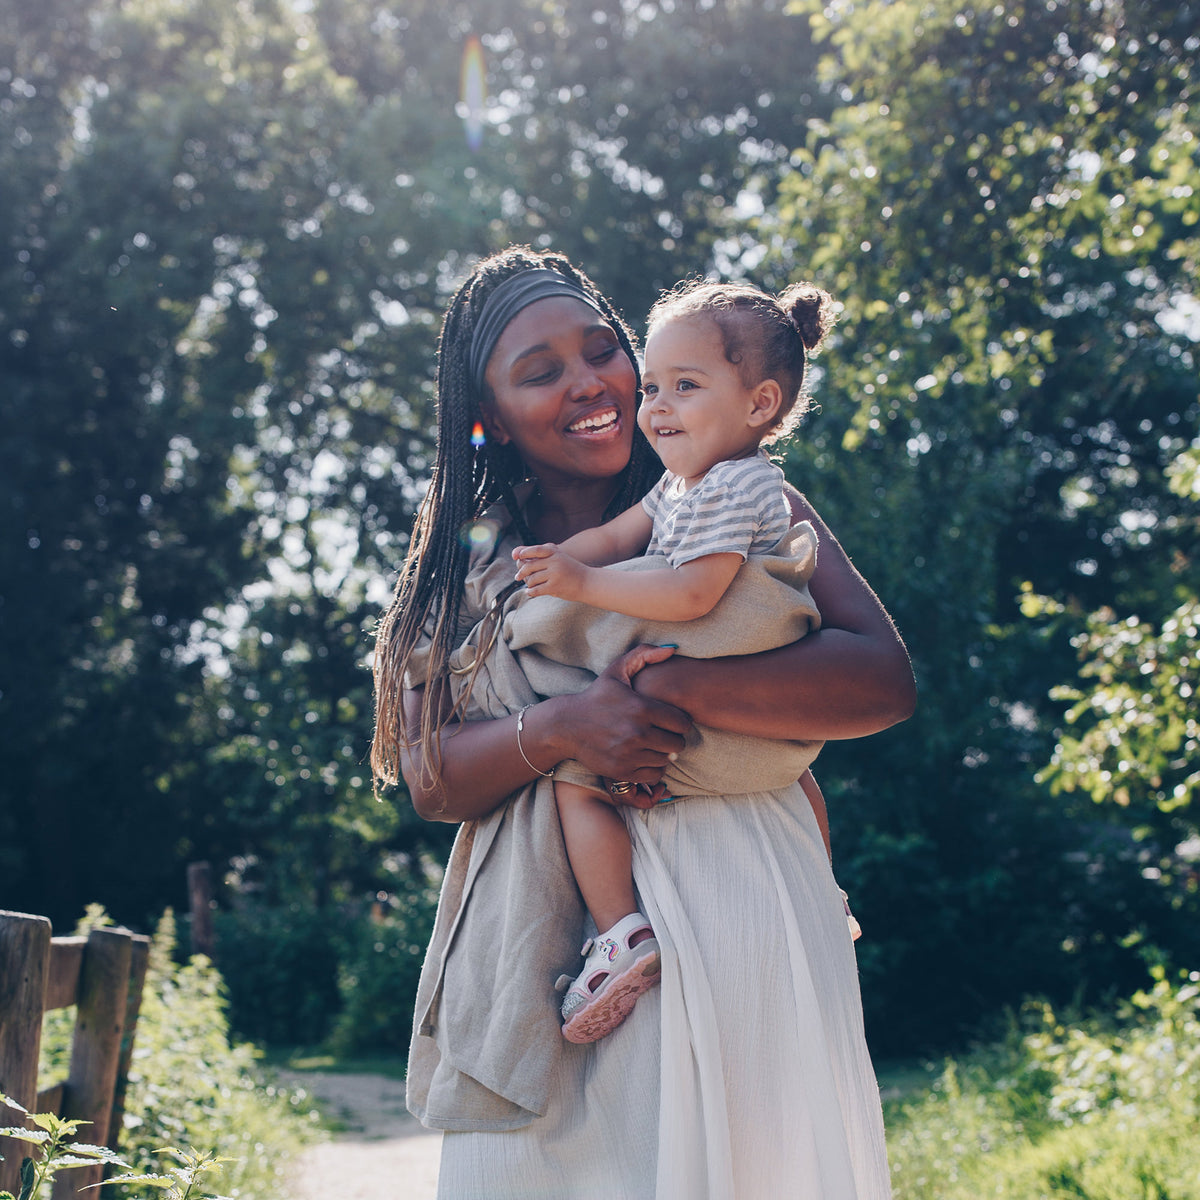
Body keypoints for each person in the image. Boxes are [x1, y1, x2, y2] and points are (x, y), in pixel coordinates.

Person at [371, 245, 915, 1199]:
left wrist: (677, 693)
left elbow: (880, 682)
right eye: (541, 373)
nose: (591, 384)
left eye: (601, 350)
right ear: (489, 415)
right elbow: (433, 781)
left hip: (743, 889)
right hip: (550, 946)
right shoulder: (458, 573)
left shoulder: (734, 498)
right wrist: (573, 724)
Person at [509, 277, 843, 1045]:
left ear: (759, 405)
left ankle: (619, 931)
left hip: (721, 668)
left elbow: (697, 595)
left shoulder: (737, 486)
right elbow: (623, 533)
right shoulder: (684, 484)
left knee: (576, 781)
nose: (654, 406)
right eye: (652, 385)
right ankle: (829, 892)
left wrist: (582, 587)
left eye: (684, 387)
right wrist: (556, 562)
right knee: (798, 775)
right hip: (748, 725)